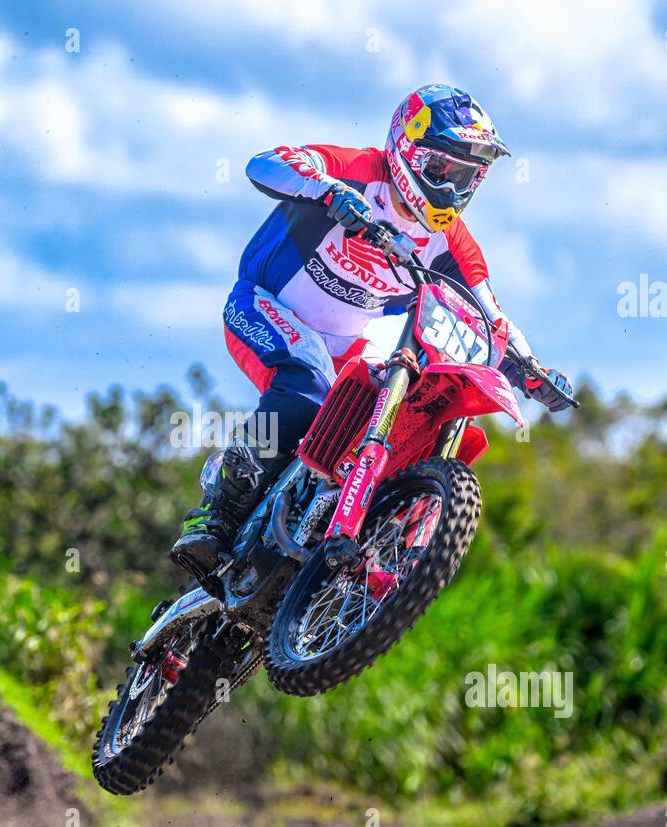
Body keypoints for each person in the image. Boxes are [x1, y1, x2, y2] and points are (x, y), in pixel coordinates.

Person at [170, 83, 574, 582]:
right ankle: (219, 513)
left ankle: (338, 545)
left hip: (341, 347)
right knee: (306, 390)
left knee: (381, 413)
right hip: (263, 305)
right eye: (442, 171)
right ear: (406, 150)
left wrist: (531, 370)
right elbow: (264, 163)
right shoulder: (362, 171)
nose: (451, 189)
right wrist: (328, 190)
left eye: (468, 178)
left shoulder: (451, 244)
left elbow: (492, 317)